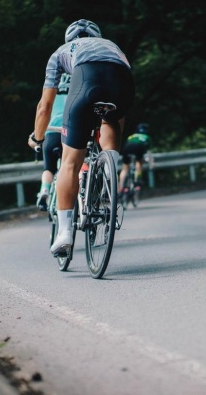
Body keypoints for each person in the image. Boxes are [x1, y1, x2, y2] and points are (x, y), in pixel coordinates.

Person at [28, 19, 135, 257]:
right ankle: (108, 172)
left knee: (69, 162)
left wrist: (37, 138)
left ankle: (65, 234)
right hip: (122, 82)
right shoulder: (112, 46)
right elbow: (120, 114)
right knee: (111, 119)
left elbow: (45, 107)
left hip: (87, 79)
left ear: (69, 39)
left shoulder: (60, 53)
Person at [36, 73, 71, 211]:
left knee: (49, 168)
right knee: (72, 167)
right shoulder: (78, 87)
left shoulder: (51, 89)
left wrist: (37, 137)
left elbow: (42, 111)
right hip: (72, 130)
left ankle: (45, 189)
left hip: (51, 132)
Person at [119, 123, 152, 194]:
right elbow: (148, 151)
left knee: (125, 168)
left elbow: (127, 143)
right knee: (139, 163)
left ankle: (121, 187)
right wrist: (150, 162)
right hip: (138, 147)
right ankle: (137, 182)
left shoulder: (131, 136)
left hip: (127, 148)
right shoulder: (147, 137)